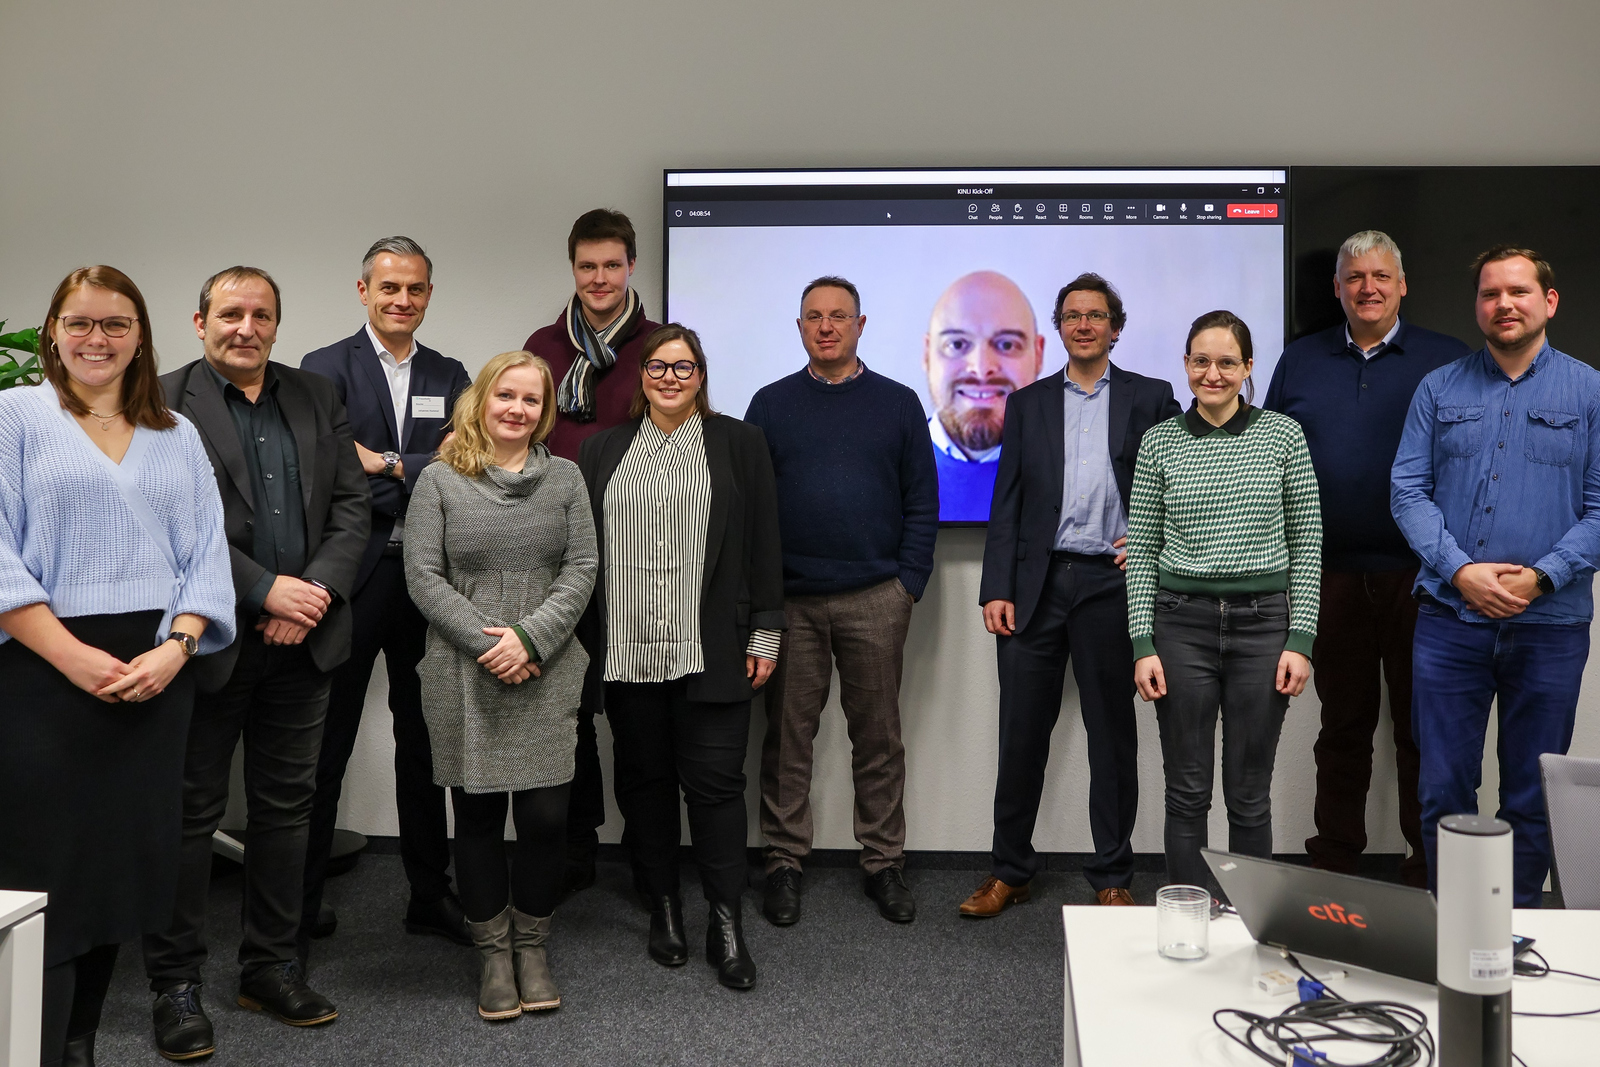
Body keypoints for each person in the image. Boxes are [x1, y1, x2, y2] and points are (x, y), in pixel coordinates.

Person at [0, 266, 234, 1067]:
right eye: (80, 323)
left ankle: (78, 1046)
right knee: (47, 881)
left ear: (140, 335)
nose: (96, 339)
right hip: (41, 675)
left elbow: (207, 553)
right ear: (51, 331)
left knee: (117, 879)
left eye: (115, 324)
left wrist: (177, 648)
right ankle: (33, 1049)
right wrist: (71, 657)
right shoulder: (14, 416)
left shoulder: (176, 430)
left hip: (153, 678)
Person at [144, 267, 369, 1059]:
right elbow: (172, 521)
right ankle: (175, 982)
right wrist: (267, 590)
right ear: (200, 319)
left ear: (278, 323)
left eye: (261, 314)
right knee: (190, 813)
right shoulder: (163, 400)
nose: (246, 326)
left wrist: (311, 593)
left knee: (286, 811)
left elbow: (353, 506)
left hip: (303, 643)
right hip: (207, 641)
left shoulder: (316, 395)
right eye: (230, 313)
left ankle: (270, 966)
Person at [961, 274, 1181, 918]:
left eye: (1096, 316)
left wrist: (1150, 545)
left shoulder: (1151, 397)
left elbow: (1177, 487)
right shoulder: (1027, 403)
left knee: (1112, 738)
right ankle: (1010, 871)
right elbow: (1008, 502)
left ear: (1116, 326)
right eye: (1072, 316)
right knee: (1020, 735)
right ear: (1058, 328)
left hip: (1112, 588)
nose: (1084, 325)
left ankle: (1112, 875)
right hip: (1037, 586)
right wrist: (995, 585)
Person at [577, 325, 784, 990]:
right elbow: (584, 554)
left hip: (714, 649)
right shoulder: (602, 448)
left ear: (701, 374)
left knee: (718, 789)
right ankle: (663, 906)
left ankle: (726, 922)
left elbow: (763, 541)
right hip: (628, 651)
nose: (670, 377)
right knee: (645, 786)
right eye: (659, 366)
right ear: (641, 375)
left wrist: (767, 632)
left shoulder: (738, 442)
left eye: (684, 366)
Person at [1392, 246, 1600, 907]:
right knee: (1443, 790)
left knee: (1532, 794)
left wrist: (1542, 576)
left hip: (1550, 627)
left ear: (1549, 301)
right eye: (1489, 294)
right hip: (1450, 624)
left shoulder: (1590, 391)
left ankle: (1512, 937)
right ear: (1476, 305)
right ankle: (1453, 928)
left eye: (1517, 291)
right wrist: (1461, 571)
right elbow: (1406, 490)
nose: (1503, 304)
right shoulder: (1439, 388)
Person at [1265, 231, 1470, 888]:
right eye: (1354, 277)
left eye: (1381, 276)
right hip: (1328, 576)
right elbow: (1268, 457)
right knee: (1342, 727)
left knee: (1422, 729)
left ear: (1402, 284)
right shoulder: (1299, 361)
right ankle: (1334, 867)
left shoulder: (1447, 360)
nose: (1368, 288)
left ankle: (1428, 866)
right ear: (1337, 288)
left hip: (1424, 577)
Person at [404, 351, 597, 1021]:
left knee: (547, 816)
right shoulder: (438, 480)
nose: (517, 408)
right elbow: (424, 577)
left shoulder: (566, 478)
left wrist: (530, 639)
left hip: (547, 664)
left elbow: (582, 568)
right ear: (482, 400)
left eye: (531, 400)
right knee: (480, 815)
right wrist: (494, 643)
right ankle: (493, 953)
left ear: (545, 412)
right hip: (465, 669)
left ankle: (532, 944)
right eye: (505, 395)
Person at [745, 276, 938, 927]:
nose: (826, 327)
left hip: (876, 598)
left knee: (878, 737)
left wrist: (907, 582)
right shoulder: (770, 405)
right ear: (799, 327)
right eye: (814, 317)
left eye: (839, 317)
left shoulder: (900, 402)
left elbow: (922, 502)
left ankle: (884, 861)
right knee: (786, 740)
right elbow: (752, 508)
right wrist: (762, 597)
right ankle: (783, 861)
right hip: (792, 601)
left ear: (861, 324)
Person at [299, 237, 473, 953]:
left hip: (428, 578)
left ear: (429, 295)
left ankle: (429, 896)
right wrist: (406, 472)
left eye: (417, 289)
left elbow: (466, 457)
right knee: (325, 742)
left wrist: (393, 463)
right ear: (363, 290)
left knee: (426, 740)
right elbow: (330, 467)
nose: (403, 300)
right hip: (354, 575)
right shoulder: (324, 368)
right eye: (390, 287)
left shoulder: (450, 371)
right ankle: (299, 905)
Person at [1127, 310, 1320, 895]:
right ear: (1186, 365)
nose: (1214, 373)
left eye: (1227, 362)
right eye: (1201, 361)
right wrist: (1142, 645)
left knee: (1248, 791)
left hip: (1265, 629)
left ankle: (1246, 921)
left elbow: (1308, 541)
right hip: (1179, 626)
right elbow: (1141, 548)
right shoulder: (1159, 441)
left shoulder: (1283, 436)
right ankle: (1186, 920)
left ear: (1248, 368)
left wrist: (1301, 640)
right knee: (1186, 790)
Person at [523, 209, 662, 893]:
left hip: (642, 559)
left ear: (631, 265)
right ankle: (575, 847)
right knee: (568, 712)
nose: (599, 278)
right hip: (560, 556)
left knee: (638, 715)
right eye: (587, 266)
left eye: (612, 265)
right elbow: (522, 441)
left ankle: (645, 853)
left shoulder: (661, 345)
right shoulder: (544, 347)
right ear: (573, 270)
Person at [922, 271, 1045, 522]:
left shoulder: (1091, 478)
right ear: (927, 355)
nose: (980, 368)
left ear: (1038, 354)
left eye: (1007, 345)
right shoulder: (874, 473)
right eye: (957, 344)